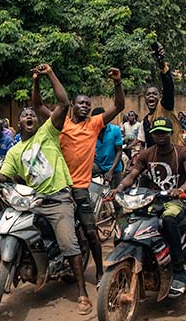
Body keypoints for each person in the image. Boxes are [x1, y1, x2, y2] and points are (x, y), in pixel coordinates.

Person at [0, 63, 93, 314]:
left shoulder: (48, 132)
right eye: (24, 115)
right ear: (18, 123)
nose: (30, 117)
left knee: (69, 243)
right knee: (2, 224)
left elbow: (64, 103)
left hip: (59, 198)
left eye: (32, 114)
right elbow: (5, 173)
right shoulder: (14, 151)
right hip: (32, 200)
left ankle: (82, 292)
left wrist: (48, 75)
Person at [34, 66, 125, 285]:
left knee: (90, 231)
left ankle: (100, 271)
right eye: (81, 103)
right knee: (39, 221)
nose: (85, 106)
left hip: (80, 187)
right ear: (72, 105)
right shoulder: (60, 122)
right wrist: (37, 81)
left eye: (88, 104)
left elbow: (119, 106)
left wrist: (118, 83)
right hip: (57, 187)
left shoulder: (94, 124)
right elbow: (37, 105)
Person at [110, 117, 186, 296]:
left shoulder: (183, 152)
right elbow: (132, 175)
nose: (160, 136)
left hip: (176, 200)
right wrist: (118, 188)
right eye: (157, 133)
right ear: (152, 135)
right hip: (150, 200)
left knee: (168, 220)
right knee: (128, 222)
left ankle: (179, 273)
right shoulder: (146, 154)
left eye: (164, 133)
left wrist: (180, 189)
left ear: (170, 133)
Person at [141, 46, 185, 148]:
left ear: (160, 97)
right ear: (145, 99)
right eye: (148, 94)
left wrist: (162, 65)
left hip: (176, 154)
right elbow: (148, 145)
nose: (151, 96)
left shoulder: (165, 106)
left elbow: (168, 86)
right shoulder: (146, 121)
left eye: (154, 94)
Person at [92, 107, 124, 189]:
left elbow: (119, 151)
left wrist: (111, 171)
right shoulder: (90, 132)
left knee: (116, 195)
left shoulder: (115, 130)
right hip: (97, 167)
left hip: (114, 168)